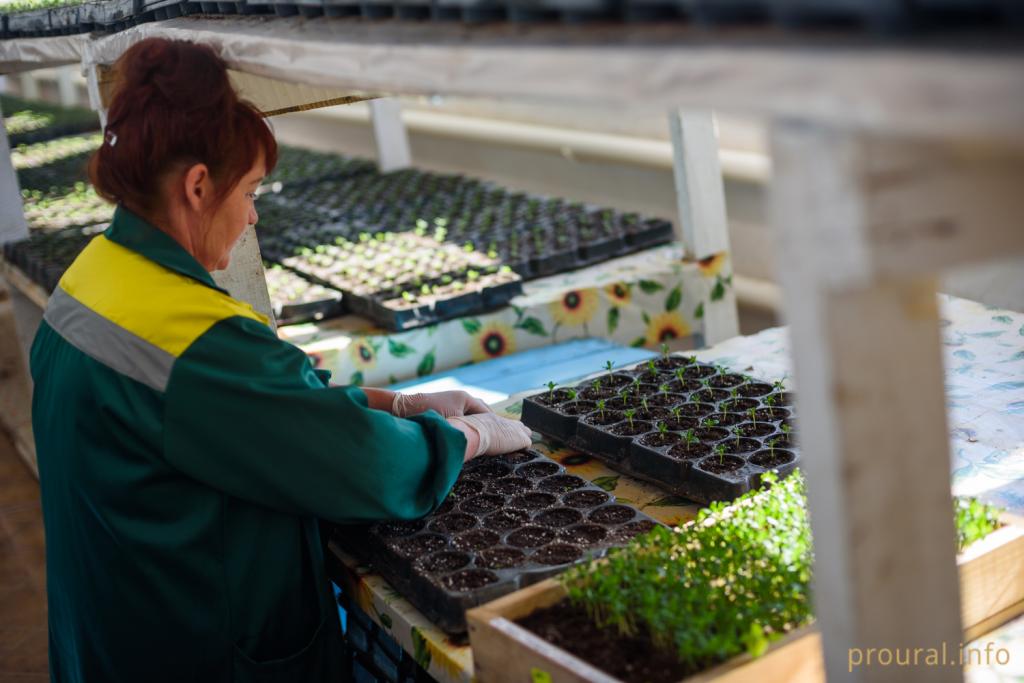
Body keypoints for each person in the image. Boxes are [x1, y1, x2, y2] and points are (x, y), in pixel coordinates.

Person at [29, 37, 532, 683]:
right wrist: (468, 435)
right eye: (251, 191)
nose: (253, 216)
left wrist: (398, 401)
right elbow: (372, 465)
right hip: (195, 643)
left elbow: (256, 413)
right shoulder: (194, 338)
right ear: (199, 185)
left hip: (115, 622)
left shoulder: (95, 273)